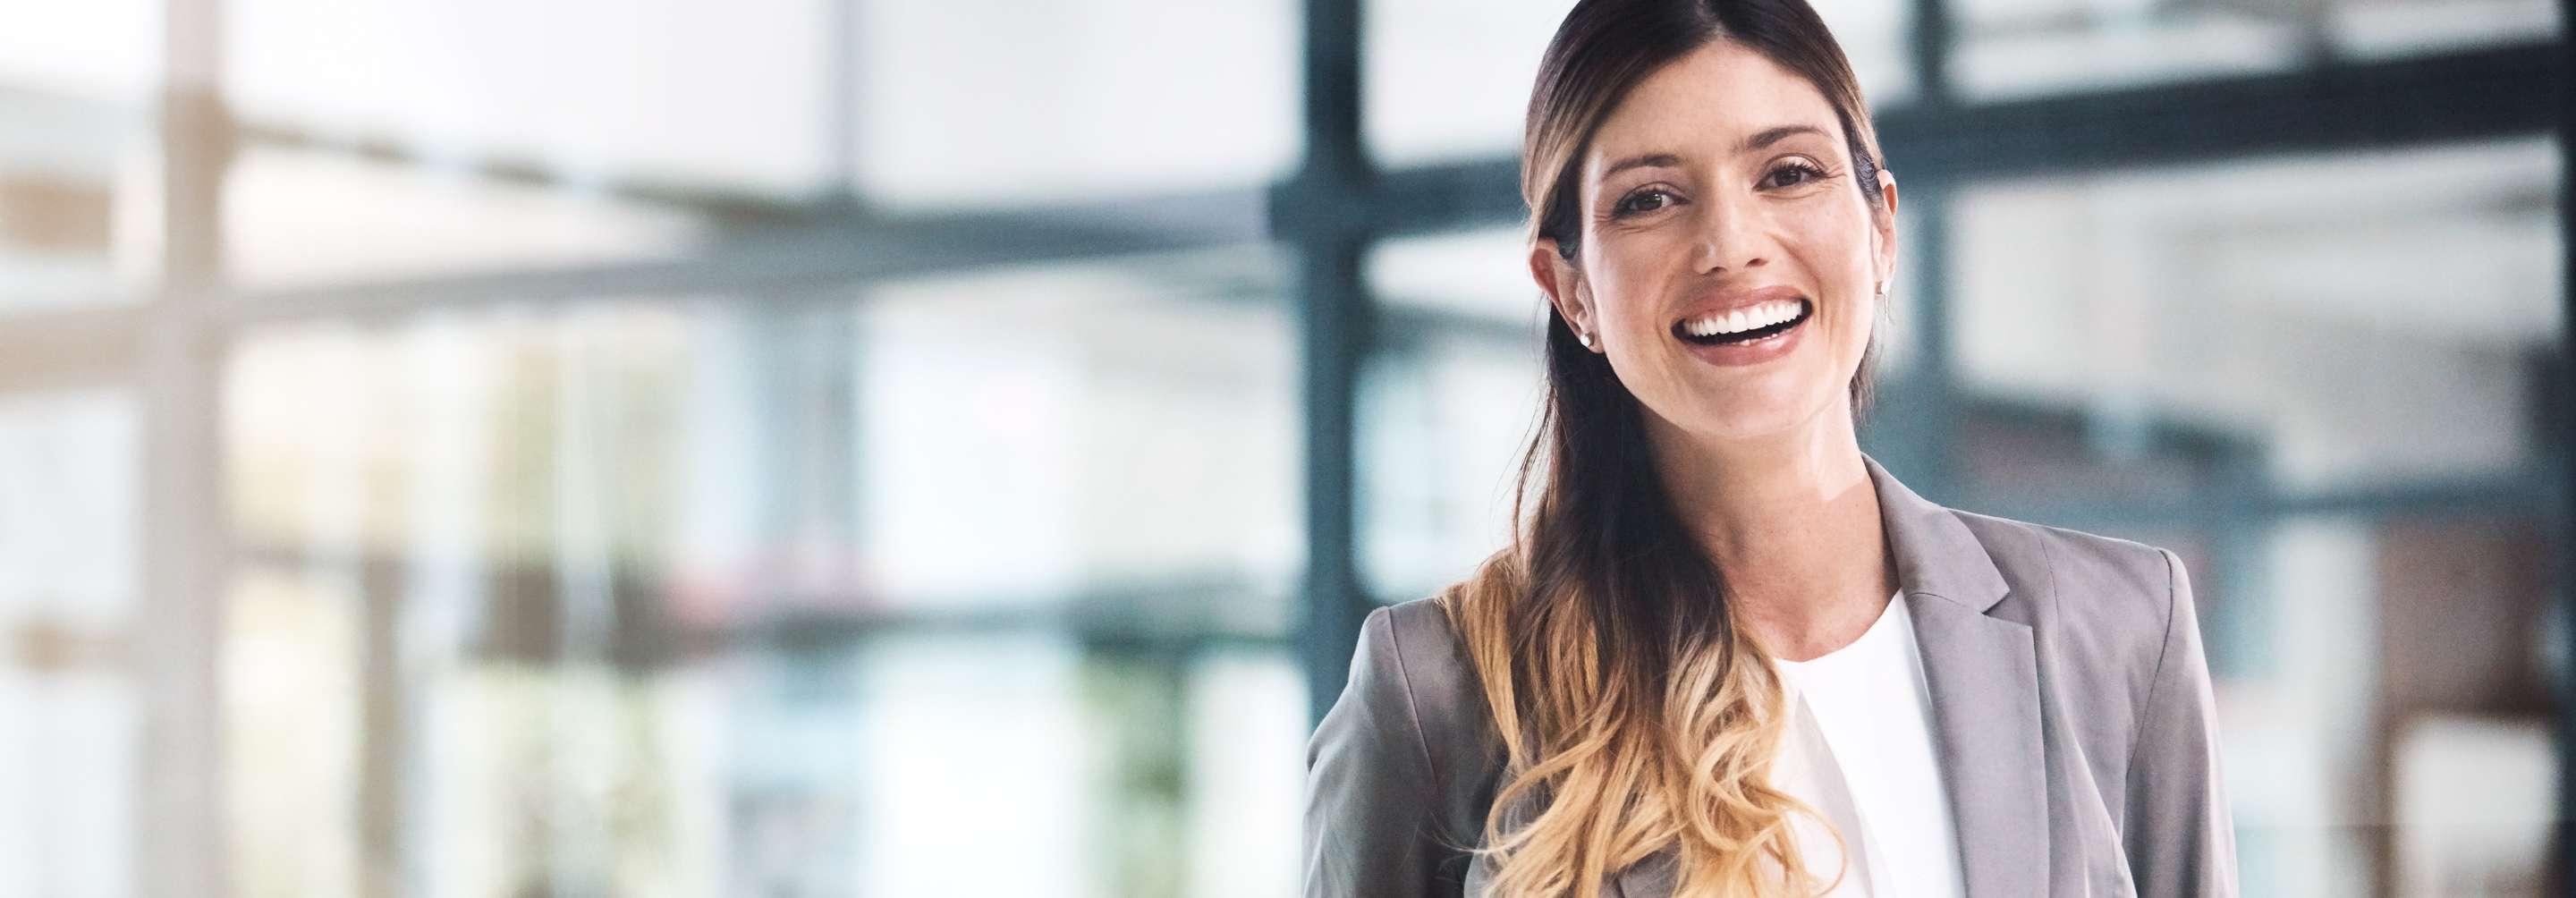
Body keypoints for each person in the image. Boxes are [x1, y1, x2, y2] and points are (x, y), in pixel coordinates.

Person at [1300, 0, 2240, 895]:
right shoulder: (1440, 693)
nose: (1730, 244)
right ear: (1568, 287)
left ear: (1881, 226)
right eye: (1650, 198)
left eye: (1788, 173)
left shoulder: (2118, 631)